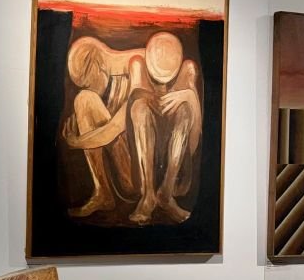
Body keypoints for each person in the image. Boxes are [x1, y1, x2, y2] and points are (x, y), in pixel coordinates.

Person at [60, 32, 201, 225]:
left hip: (142, 176)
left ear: (97, 66)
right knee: (88, 98)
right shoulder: (141, 58)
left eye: (88, 81)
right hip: (134, 161)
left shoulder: (143, 65)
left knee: (85, 99)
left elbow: (112, 129)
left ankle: (149, 195)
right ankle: (103, 192)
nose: (91, 87)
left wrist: (77, 142)